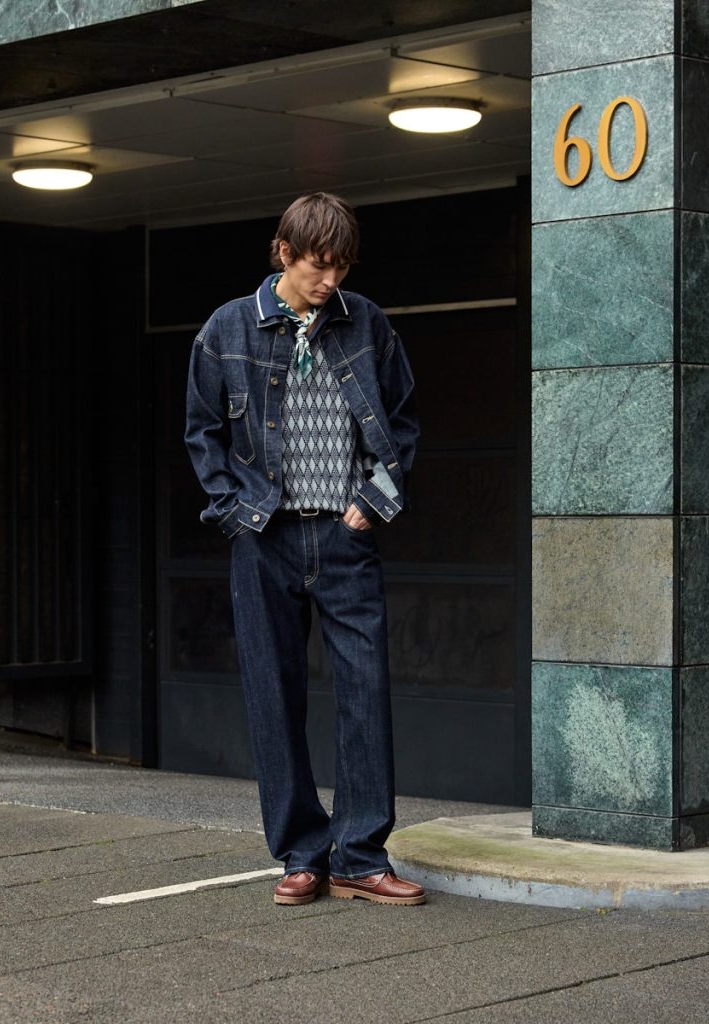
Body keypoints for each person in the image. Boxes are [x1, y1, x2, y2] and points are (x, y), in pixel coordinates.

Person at [185, 192, 424, 906]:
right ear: (284, 253)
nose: (330, 280)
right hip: (266, 538)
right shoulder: (228, 328)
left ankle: (360, 856)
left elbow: (403, 419)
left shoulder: (365, 322)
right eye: (319, 266)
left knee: (365, 693)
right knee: (273, 696)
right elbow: (202, 433)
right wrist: (235, 514)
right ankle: (300, 853)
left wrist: (373, 501)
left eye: (342, 267)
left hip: (345, 537)